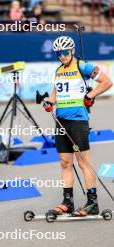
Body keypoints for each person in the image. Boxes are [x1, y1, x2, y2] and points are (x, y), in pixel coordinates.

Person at [43, 36, 112, 216]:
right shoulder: (58, 70)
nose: (62, 56)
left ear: (72, 50)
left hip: (78, 121)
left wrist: (91, 96)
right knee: (65, 162)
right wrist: (50, 101)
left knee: (83, 162)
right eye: (58, 53)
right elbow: (56, 90)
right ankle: (68, 202)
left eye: (65, 52)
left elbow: (107, 82)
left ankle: (92, 202)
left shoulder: (83, 66)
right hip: (60, 121)